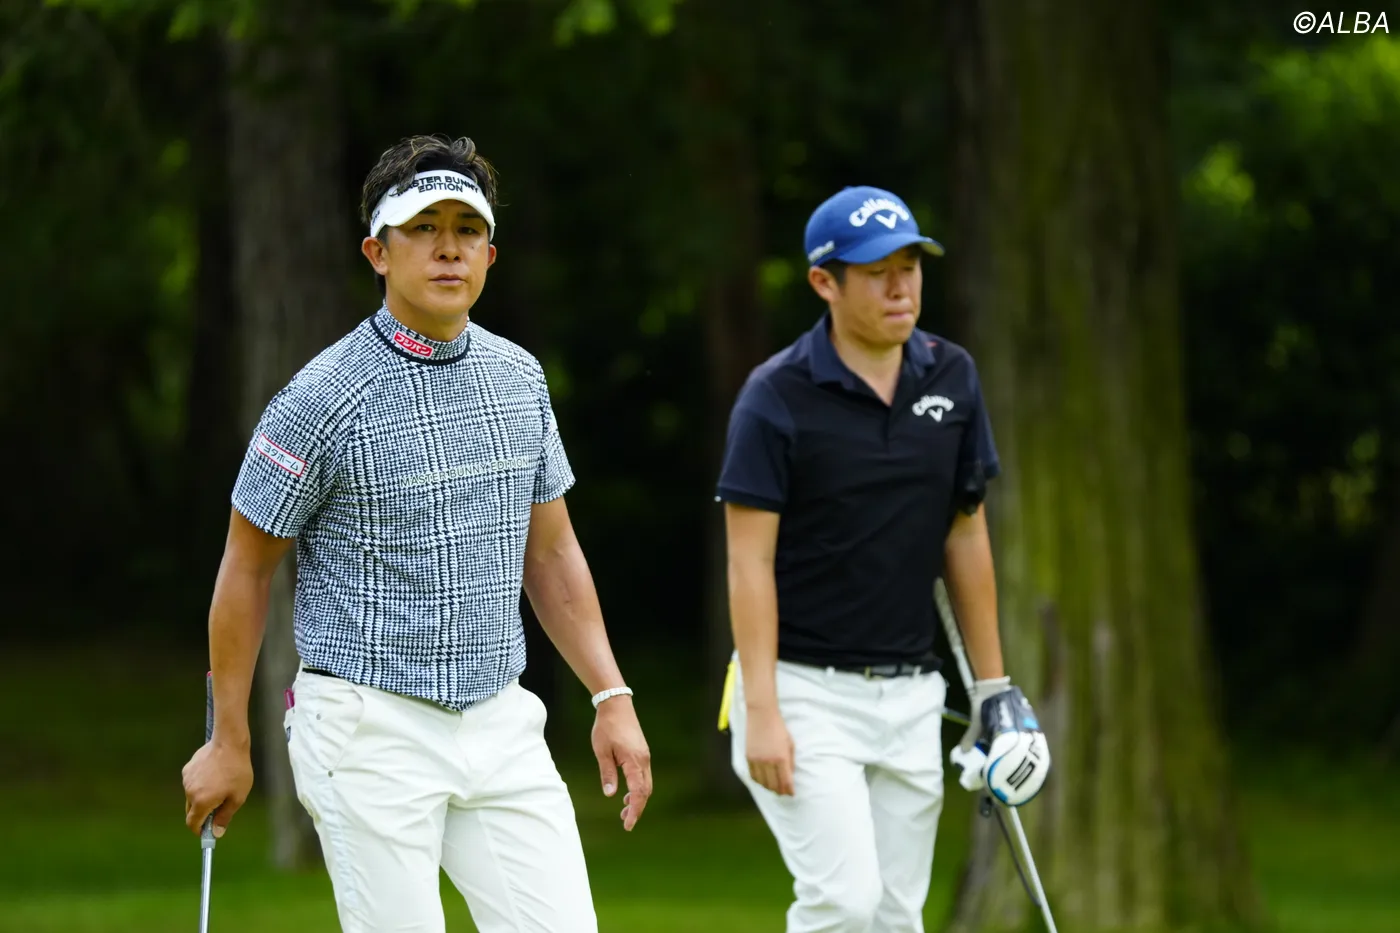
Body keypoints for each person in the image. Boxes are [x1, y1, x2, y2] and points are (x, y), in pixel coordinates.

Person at [181, 134, 651, 933]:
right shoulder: (321, 397)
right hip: (366, 727)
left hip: (500, 717)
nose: (447, 248)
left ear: (490, 255)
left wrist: (611, 696)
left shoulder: (519, 378)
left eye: (466, 230)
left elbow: (550, 551)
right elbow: (247, 567)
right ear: (378, 252)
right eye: (423, 228)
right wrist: (229, 740)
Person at [715, 185, 1037, 932]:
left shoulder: (952, 376)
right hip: (800, 690)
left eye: (910, 267)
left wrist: (993, 691)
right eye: (876, 271)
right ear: (824, 282)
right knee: (844, 902)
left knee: (895, 915)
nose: (901, 287)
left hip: (911, 694)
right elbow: (748, 562)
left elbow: (965, 533)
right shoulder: (776, 396)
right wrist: (762, 709)